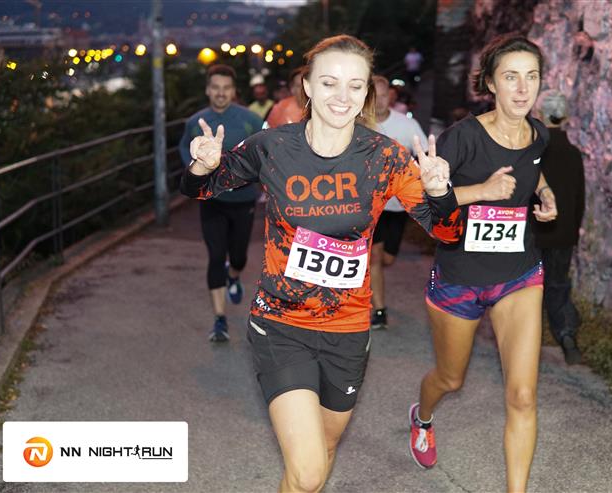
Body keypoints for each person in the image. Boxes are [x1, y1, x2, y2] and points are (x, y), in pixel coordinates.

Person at [181, 35, 461, 493]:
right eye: (329, 83)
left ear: (366, 93)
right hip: (281, 323)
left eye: (355, 85)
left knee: (319, 455)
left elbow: (447, 232)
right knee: (310, 471)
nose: (342, 96)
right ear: (308, 87)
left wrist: (439, 193)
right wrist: (202, 166)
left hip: (347, 329)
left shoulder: (385, 156)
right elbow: (198, 190)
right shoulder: (273, 147)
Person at [408, 34, 557, 493]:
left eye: (531, 77)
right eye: (511, 77)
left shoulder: (539, 134)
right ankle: (422, 417)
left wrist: (545, 192)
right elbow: (422, 203)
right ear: (490, 83)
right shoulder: (463, 137)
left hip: (519, 275)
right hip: (460, 278)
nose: (522, 88)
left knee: (523, 395)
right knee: (450, 379)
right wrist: (480, 192)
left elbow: (533, 167)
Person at [178, 64, 263, 343]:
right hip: (211, 201)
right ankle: (219, 319)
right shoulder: (196, 122)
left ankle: (234, 275)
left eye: (226, 88)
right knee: (216, 256)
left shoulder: (251, 119)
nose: (221, 93)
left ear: (234, 91)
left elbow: (263, 151)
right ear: (207, 90)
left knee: (238, 257)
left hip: (243, 199)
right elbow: (184, 148)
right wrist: (196, 169)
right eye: (215, 87)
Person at [369, 75, 429, 330]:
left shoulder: (406, 124)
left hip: (397, 205)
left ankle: (371, 283)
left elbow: (425, 153)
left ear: (391, 97)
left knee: (387, 259)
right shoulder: (358, 123)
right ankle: (379, 310)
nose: (379, 101)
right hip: (370, 205)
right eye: (375, 96)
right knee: (374, 258)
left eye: (384, 95)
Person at [533, 91, 585, 365]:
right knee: (557, 284)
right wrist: (573, 231)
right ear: (565, 117)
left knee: (527, 288)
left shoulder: (533, 150)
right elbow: (579, 198)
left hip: (532, 230)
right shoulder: (574, 154)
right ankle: (566, 336)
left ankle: (525, 342)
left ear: (539, 114)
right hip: (562, 232)